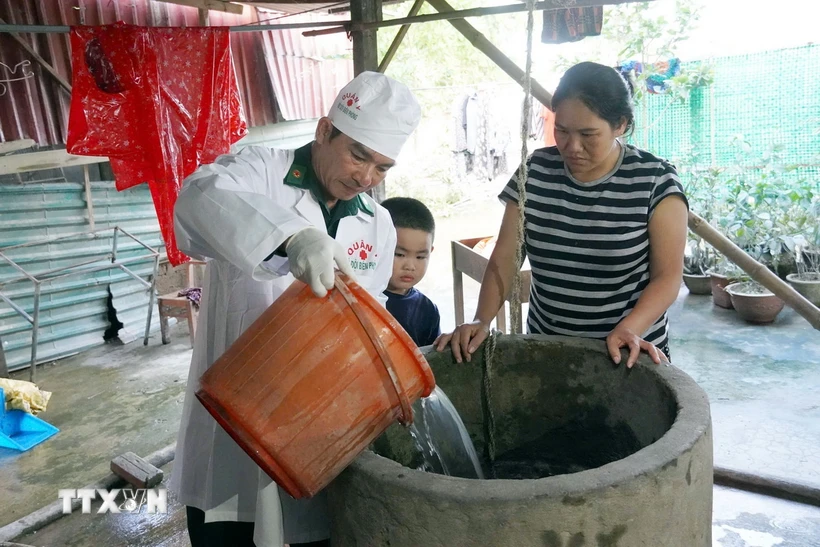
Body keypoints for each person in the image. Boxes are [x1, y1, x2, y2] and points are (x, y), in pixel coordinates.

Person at [170, 72, 421, 547]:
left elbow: (367, 328)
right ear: (324, 130)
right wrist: (292, 236)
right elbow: (196, 200)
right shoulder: (258, 170)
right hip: (235, 411)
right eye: (358, 155)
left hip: (315, 423)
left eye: (382, 168)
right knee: (231, 529)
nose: (365, 178)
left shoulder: (378, 223)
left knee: (311, 531)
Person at [436, 62, 688, 368]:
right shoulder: (536, 172)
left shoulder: (654, 181)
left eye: (588, 134)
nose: (572, 147)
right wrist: (481, 319)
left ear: (620, 125)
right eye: (562, 131)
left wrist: (629, 329)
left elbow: (667, 278)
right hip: (549, 349)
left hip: (627, 354)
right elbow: (506, 257)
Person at [380, 197, 441, 347]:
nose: (410, 266)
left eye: (420, 256)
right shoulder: (362, 299)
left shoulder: (427, 310)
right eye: (399, 254)